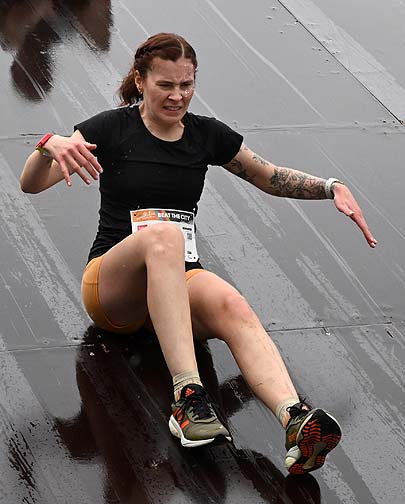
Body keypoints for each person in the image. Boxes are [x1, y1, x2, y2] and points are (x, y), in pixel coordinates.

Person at [20, 32, 377, 475]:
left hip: (177, 280)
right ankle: (188, 397)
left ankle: (295, 419)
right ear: (140, 80)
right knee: (164, 237)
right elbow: (31, 184)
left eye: (186, 85)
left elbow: (269, 176)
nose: (177, 96)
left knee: (232, 303)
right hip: (114, 288)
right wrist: (48, 145)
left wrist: (331, 187)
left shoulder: (206, 135)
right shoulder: (110, 129)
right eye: (165, 85)